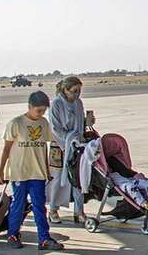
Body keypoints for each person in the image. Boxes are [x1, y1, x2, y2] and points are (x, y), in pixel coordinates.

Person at [0, 91, 64, 251]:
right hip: (20, 172)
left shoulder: (43, 123)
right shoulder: (16, 123)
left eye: (43, 111)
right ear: (30, 107)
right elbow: (6, 149)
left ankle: (44, 238)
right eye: (38, 110)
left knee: (39, 205)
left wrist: (47, 169)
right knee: (18, 204)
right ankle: (13, 234)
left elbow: (46, 146)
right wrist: (1, 171)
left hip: (38, 172)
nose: (41, 114)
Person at [47, 76, 88, 224]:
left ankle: (79, 211)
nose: (77, 95)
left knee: (78, 177)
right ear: (65, 90)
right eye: (74, 91)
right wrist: (67, 142)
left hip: (76, 144)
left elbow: (80, 122)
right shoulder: (56, 104)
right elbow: (55, 128)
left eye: (79, 91)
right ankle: (53, 208)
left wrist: (86, 125)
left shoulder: (78, 103)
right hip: (60, 146)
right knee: (58, 178)